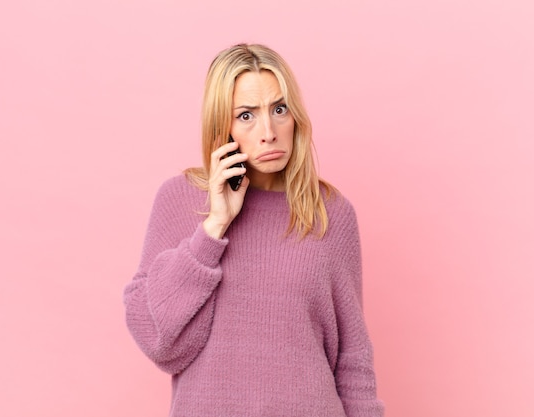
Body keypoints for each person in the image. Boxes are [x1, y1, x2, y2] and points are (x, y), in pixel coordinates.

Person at [123, 43, 384, 417]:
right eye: (246, 115)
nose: (268, 131)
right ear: (222, 127)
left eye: (279, 110)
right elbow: (160, 342)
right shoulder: (180, 200)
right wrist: (213, 227)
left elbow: (353, 358)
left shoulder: (330, 213)